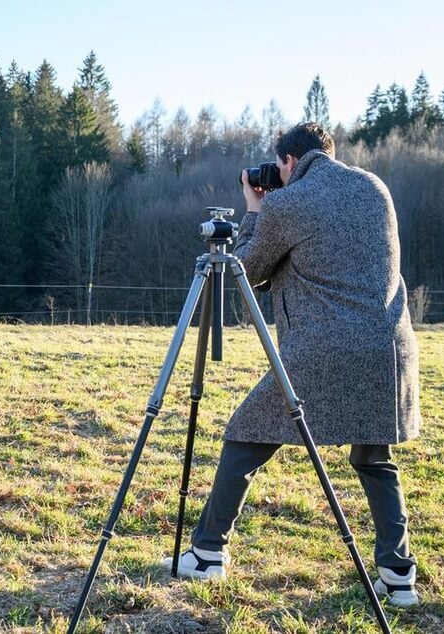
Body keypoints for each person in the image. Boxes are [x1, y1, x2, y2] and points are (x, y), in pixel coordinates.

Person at [162, 123, 422, 607]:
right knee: (375, 458)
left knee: (245, 434)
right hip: (389, 348)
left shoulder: (286, 203)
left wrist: (256, 208)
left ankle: (207, 552)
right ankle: (398, 574)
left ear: (287, 161)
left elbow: (247, 267)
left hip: (322, 352)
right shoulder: (374, 187)